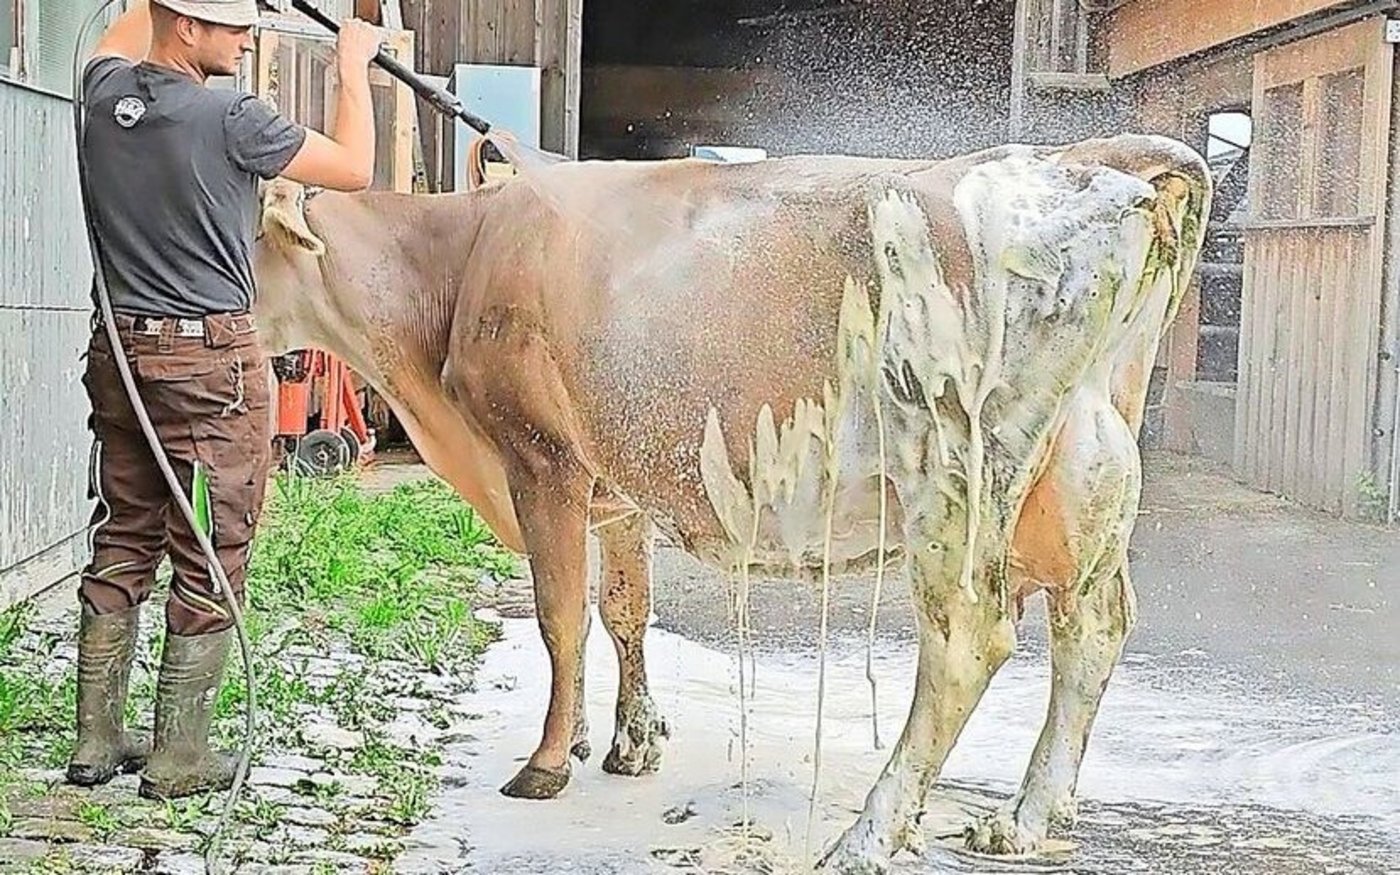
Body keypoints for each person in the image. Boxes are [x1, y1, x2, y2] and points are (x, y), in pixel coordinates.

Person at [67, 0, 384, 800]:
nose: (247, 38)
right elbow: (355, 168)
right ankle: (181, 756)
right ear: (185, 27)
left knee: (126, 529)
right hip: (206, 365)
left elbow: (124, 27)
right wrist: (352, 63)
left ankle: (96, 740)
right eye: (232, 25)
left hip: (119, 352)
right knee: (213, 540)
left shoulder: (103, 94)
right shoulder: (232, 117)